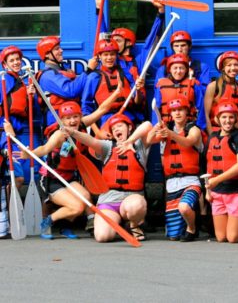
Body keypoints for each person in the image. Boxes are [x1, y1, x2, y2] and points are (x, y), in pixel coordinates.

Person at [21, 87, 121, 239]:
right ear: (61, 120)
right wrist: (29, 154)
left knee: (86, 196)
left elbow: (102, 109)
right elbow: (45, 148)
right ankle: (48, 221)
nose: (72, 121)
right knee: (77, 207)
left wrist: (118, 91)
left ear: (80, 117)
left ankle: (67, 226)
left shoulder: (81, 125)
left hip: (68, 177)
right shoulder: (59, 135)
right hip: (51, 178)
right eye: (68, 118)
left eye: (75, 117)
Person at [124, 96, 203, 241]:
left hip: (190, 181)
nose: (177, 113)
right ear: (170, 113)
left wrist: (171, 134)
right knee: (173, 236)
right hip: (172, 183)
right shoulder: (166, 129)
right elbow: (148, 140)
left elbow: (188, 142)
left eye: (181, 110)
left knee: (184, 207)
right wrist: (156, 128)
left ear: (187, 112)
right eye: (174, 111)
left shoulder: (193, 129)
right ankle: (185, 222)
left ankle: (192, 228)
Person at [64, 113, 149, 242]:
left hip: (131, 198)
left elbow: (148, 125)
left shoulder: (139, 145)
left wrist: (129, 142)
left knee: (136, 206)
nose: (117, 130)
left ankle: (134, 224)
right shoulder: (107, 147)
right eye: (114, 129)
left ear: (129, 128)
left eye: (120, 126)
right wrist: (73, 133)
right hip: (109, 200)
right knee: (102, 237)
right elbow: (90, 140)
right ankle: (119, 224)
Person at [205, 101, 238, 243]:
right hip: (217, 192)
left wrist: (217, 180)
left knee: (233, 237)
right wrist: (208, 190)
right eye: (224, 117)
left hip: (235, 192)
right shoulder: (213, 137)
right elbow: (208, 166)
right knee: (221, 237)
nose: (227, 120)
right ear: (218, 119)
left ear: (236, 118)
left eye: (231, 117)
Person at [81, 39, 145, 139]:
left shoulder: (126, 73)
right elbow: (86, 110)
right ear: (99, 57)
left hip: (127, 117)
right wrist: (98, 133)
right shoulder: (93, 77)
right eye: (105, 54)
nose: (109, 58)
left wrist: (138, 90)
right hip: (105, 121)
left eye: (112, 54)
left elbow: (137, 102)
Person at [0, 45, 41, 187]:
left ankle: (9, 208)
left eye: (18, 59)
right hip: (6, 135)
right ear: (5, 65)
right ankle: (7, 209)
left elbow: (27, 110)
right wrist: (4, 126)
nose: (16, 62)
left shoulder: (20, 82)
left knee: (18, 177)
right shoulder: (4, 81)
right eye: (12, 60)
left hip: (15, 134)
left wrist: (30, 97)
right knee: (17, 178)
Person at [36, 36, 97, 127]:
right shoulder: (47, 76)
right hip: (57, 121)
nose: (61, 50)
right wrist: (88, 70)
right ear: (47, 54)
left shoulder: (63, 71)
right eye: (57, 49)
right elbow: (70, 91)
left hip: (72, 119)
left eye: (60, 48)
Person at [204, 51, 238, 135]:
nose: (233, 68)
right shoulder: (213, 86)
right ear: (223, 68)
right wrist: (211, 136)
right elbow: (205, 114)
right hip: (219, 132)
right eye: (229, 65)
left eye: (236, 65)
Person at [154, 53, 206, 130]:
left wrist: (200, 128)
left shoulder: (194, 84)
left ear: (186, 70)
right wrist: (157, 126)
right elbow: (156, 108)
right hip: (167, 126)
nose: (178, 71)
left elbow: (201, 108)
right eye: (175, 68)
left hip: (189, 125)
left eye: (181, 68)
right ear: (170, 70)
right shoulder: (161, 85)